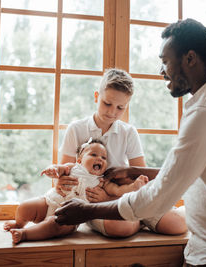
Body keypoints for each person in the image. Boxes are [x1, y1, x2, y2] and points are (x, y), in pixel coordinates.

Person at [54, 19, 206, 266]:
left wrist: (86, 210)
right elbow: (189, 174)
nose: (161, 71)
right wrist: (133, 171)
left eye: (165, 61)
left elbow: (161, 193)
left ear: (190, 58)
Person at [56, 68, 187, 237]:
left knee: (177, 225)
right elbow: (66, 176)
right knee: (122, 227)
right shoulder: (76, 129)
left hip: (129, 196)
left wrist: (133, 196)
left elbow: (142, 177)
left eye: (120, 108)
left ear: (127, 106)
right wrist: (103, 199)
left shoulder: (128, 132)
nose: (112, 112)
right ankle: (137, 219)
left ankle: (158, 213)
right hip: (93, 202)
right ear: (97, 97)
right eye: (107, 104)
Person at [3, 139, 149, 244]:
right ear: (79, 160)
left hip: (71, 216)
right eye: (94, 155)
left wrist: (133, 187)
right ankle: (19, 223)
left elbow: (118, 190)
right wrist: (53, 170)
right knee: (25, 207)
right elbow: (59, 168)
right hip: (49, 202)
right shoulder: (72, 167)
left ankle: (25, 234)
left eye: (104, 158)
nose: (100, 159)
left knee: (53, 225)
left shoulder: (102, 181)